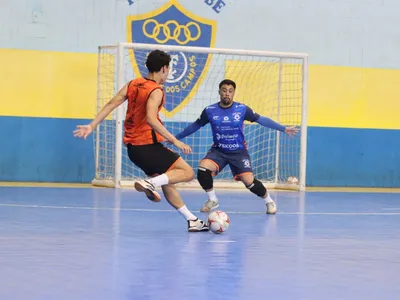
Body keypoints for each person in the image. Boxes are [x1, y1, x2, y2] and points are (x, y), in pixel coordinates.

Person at [73, 49, 209, 232]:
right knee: (187, 172)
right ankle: (150, 183)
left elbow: (111, 103)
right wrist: (175, 141)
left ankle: (191, 220)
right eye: (167, 69)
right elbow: (151, 119)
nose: (167, 73)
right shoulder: (156, 90)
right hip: (147, 146)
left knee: (167, 182)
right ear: (163, 68)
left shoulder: (133, 84)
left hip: (134, 151)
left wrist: (92, 125)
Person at [174, 79, 299, 214]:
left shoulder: (242, 109)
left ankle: (269, 201)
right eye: (224, 90)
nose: (227, 94)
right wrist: (176, 138)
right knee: (203, 169)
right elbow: (196, 125)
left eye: (230, 91)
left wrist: (283, 129)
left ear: (233, 93)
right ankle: (212, 199)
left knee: (249, 182)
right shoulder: (210, 110)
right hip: (218, 151)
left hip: (239, 152)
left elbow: (261, 119)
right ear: (219, 92)